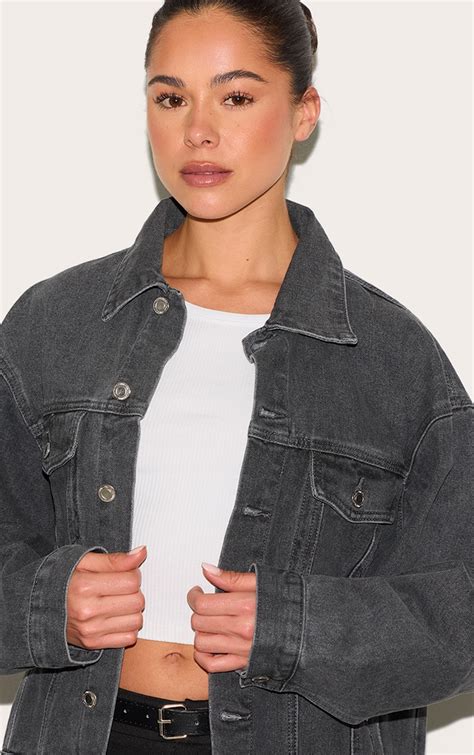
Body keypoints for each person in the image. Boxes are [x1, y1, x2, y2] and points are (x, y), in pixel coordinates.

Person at [0, 1, 472, 753]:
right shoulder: (53, 323)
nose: (198, 131)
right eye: (171, 98)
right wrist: (45, 603)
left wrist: (297, 628)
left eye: (237, 96)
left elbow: (458, 615)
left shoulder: (391, 357)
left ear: (304, 112)